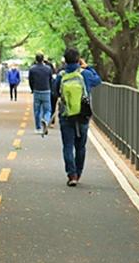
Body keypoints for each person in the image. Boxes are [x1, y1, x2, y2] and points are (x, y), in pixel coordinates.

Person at [55, 48, 101, 186]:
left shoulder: (61, 75)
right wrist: (89, 67)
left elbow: (55, 91)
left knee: (68, 145)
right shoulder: (85, 74)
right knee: (80, 147)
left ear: (65, 60)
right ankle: (79, 172)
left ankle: (72, 174)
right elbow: (98, 81)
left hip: (66, 114)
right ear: (78, 59)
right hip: (82, 115)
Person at [26, 54, 53, 134]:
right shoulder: (48, 69)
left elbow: (30, 81)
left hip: (37, 91)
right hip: (46, 91)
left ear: (36, 59)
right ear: (43, 59)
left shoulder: (32, 69)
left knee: (37, 110)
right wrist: (50, 88)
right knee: (48, 110)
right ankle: (46, 120)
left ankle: (38, 128)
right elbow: (50, 80)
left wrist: (32, 89)